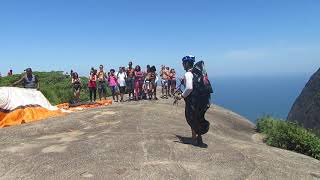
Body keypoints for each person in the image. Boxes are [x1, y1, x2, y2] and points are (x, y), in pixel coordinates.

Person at [177, 55, 211, 147]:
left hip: (192, 101)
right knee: (197, 117)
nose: (183, 65)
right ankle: (198, 137)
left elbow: (189, 88)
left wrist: (181, 96)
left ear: (187, 63)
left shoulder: (188, 74)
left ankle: (194, 139)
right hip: (200, 100)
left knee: (191, 118)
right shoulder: (197, 73)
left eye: (183, 63)